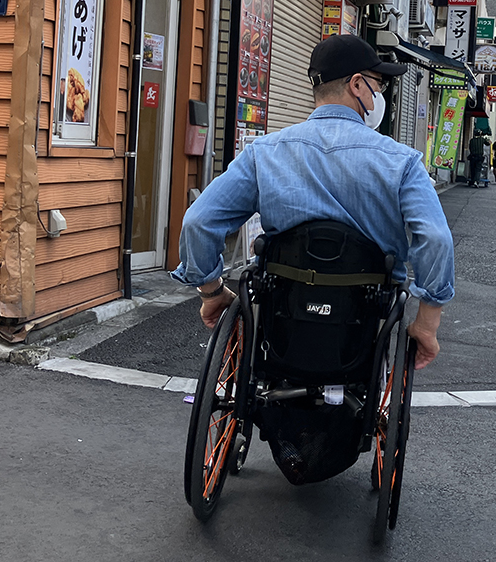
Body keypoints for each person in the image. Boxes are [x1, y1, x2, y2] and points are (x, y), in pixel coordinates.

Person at [173, 34, 455, 370]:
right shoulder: (402, 162)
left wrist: (212, 292)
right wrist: (427, 321)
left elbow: (198, 221)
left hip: (283, 314)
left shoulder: (264, 153)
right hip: (363, 320)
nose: (379, 94)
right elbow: (436, 239)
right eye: (377, 84)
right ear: (356, 84)